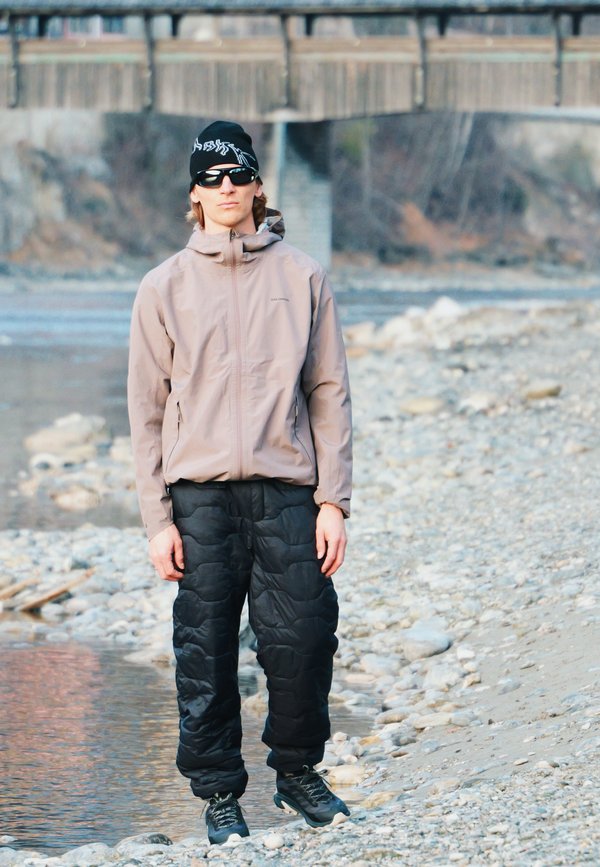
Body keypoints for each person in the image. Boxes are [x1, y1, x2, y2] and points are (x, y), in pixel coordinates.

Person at [127, 120, 353, 845]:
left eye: (237, 175)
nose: (226, 189)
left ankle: (296, 773)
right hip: (199, 496)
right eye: (211, 178)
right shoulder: (162, 286)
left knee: (303, 637)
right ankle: (220, 792)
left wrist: (333, 500)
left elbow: (329, 392)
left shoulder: (302, 275)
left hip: (287, 489)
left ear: (258, 183)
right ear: (194, 192)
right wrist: (157, 520)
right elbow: (146, 412)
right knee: (205, 646)